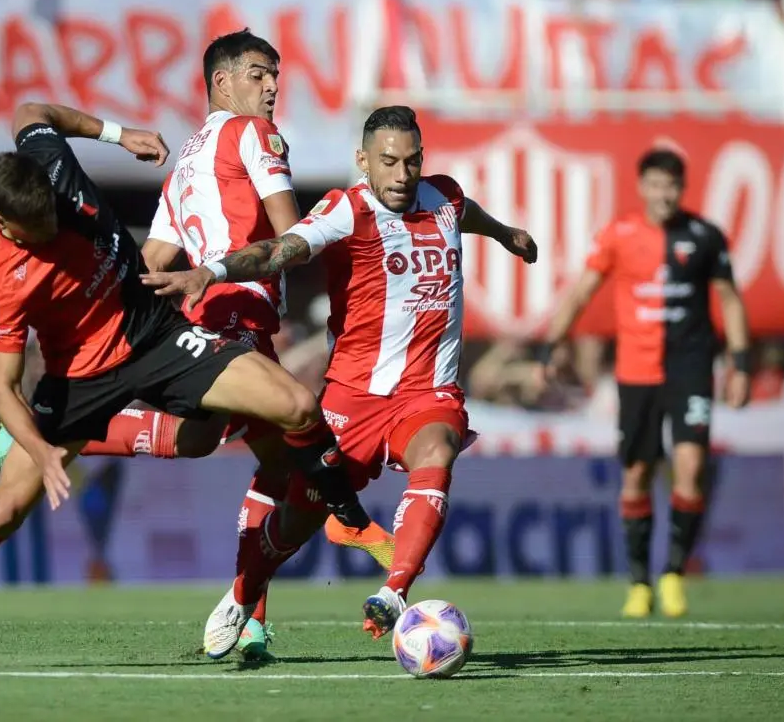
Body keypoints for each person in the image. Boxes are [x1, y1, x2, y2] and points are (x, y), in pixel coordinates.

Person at [0, 101, 372, 671]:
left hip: (155, 335)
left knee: (290, 404)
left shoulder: (51, 164)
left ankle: (346, 515)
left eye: (52, 214)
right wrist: (43, 453)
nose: (53, 229)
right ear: (2, 224)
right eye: (38, 231)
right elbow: (4, 389)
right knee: (3, 512)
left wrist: (120, 135)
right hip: (80, 379)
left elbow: (29, 110)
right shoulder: (0, 283)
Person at [0, 30, 395, 659]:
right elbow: (289, 232)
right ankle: (255, 602)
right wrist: (356, 244)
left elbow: (150, 265)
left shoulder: (187, 164)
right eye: (257, 74)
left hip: (202, 315)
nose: (271, 86)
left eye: (275, 75)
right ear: (222, 83)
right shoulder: (257, 137)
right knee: (282, 448)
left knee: (216, 445)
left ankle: (249, 611)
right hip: (234, 313)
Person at [142, 106, 538, 656]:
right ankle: (242, 593)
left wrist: (505, 233)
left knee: (438, 450)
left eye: (412, 161)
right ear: (364, 162)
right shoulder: (347, 209)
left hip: (429, 391)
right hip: (353, 397)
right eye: (389, 162)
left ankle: (394, 591)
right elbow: (281, 250)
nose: (402, 175)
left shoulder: (442, 196)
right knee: (299, 515)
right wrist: (213, 270)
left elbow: (466, 210)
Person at [538, 146, 750, 619]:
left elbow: (730, 302)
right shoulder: (619, 235)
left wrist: (741, 365)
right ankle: (639, 583)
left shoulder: (705, 237)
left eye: (672, 185)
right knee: (636, 475)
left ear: (682, 188)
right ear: (642, 187)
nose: (664, 194)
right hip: (636, 372)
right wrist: (552, 344)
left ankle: (674, 573)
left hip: (690, 368)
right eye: (655, 184)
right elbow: (581, 291)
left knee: (691, 467)